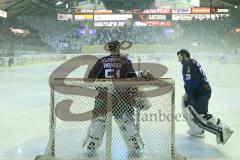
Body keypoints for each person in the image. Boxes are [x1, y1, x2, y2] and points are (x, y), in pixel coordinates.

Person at [83, 41, 144, 157]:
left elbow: (89, 79)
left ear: (108, 49)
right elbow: (133, 82)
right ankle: (135, 146)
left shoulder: (101, 61)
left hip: (103, 96)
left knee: (99, 121)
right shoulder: (126, 62)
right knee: (126, 121)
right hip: (122, 98)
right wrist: (134, 96)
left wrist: (101, 82)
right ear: (119, 48)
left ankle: (91, 147)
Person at [177, 49, 233, 145]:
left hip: (200, 92)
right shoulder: (192, 62)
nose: (179, 60)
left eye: (180, 57)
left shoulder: (188, 64)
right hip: (203, 90)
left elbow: (192, 81)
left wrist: (189, 95)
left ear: (185, 56)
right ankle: (198, 130)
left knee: (202, 116)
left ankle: (224, 130)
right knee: (197, 114)